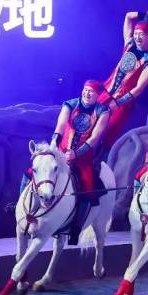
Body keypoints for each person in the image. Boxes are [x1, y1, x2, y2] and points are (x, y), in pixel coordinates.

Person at [20, 80, 109, 245]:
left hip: (83, 158)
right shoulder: (70, 104)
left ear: (98, 95)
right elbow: (61, 124)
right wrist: (54, 143)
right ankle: (21, 208)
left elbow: (95, 137)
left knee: (87, 187)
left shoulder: (102, 111)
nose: (87, 93)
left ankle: (76, 228)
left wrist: (76, 153)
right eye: (85, 90)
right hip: (61, 152)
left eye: (91, 92)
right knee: (29, 172)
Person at [99, 11, 148, 151]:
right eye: (136, 33)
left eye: (141, 34)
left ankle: (100, 162)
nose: (137, 36)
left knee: (106, 136)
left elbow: (138, 89)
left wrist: (117, 103)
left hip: (122, 104)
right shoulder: (129, 45)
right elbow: (128, 16)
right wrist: (146, 16)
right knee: (88, 127)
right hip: (105, 94)